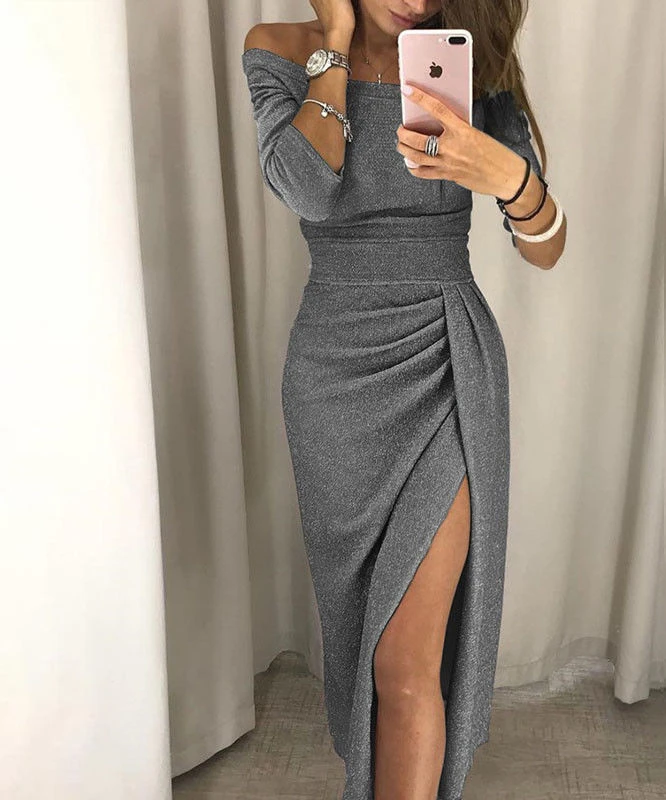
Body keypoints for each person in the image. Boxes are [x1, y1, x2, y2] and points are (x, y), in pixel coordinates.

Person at [242, 1, 566, 798]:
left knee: (408, 661)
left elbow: (548, 248)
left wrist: (511, 180)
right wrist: (336, 44)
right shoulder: (278, 48)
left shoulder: (468, 60)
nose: (417, 1)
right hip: (333, 379)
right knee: (362, 631)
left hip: (446, 363)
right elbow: (306, 190)